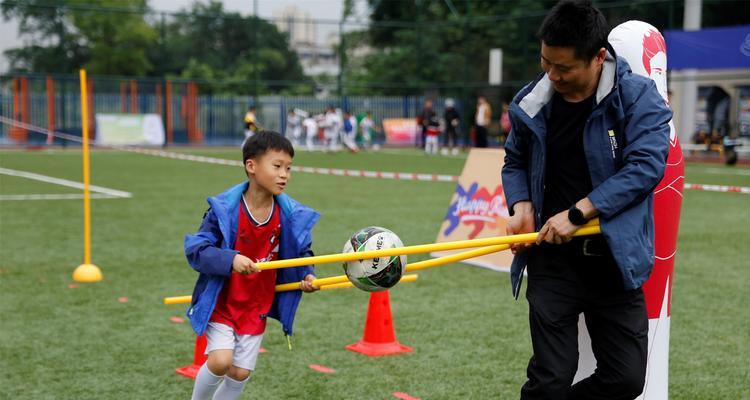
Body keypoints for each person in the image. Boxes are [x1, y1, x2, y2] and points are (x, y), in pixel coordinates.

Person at [501, 1, 672, 399]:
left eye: (564, 68)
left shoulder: (637, 97)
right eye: (546, 63)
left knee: (626, 379)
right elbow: (515, 159)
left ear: (598, 58)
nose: (552, 75)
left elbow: (645, 167)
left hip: (615, 261)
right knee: (551, 380)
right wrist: (521, 205)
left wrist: (577, 213)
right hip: (552, 262)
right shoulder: (533, 100)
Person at [185, 131, 320, 400]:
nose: (285, 175)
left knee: (239, 373)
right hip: (223, 302)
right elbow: (196, 250)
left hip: (256, 305)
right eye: (277, 166)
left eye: (289, 168)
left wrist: (307, 274)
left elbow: (303, 252)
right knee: (221, 361)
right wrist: (231, 260)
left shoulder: (289, 216)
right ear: (252, 166)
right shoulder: (224, 210)